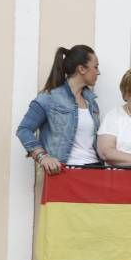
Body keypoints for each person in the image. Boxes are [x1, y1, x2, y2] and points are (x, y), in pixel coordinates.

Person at [16, 45, 101, 174]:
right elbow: (24, 130)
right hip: (63, 172)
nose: (98, 72)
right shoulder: (49, 98)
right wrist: (42, 156)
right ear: (82, 69)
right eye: (95, 67)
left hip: (94, 170)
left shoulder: (92, 102)